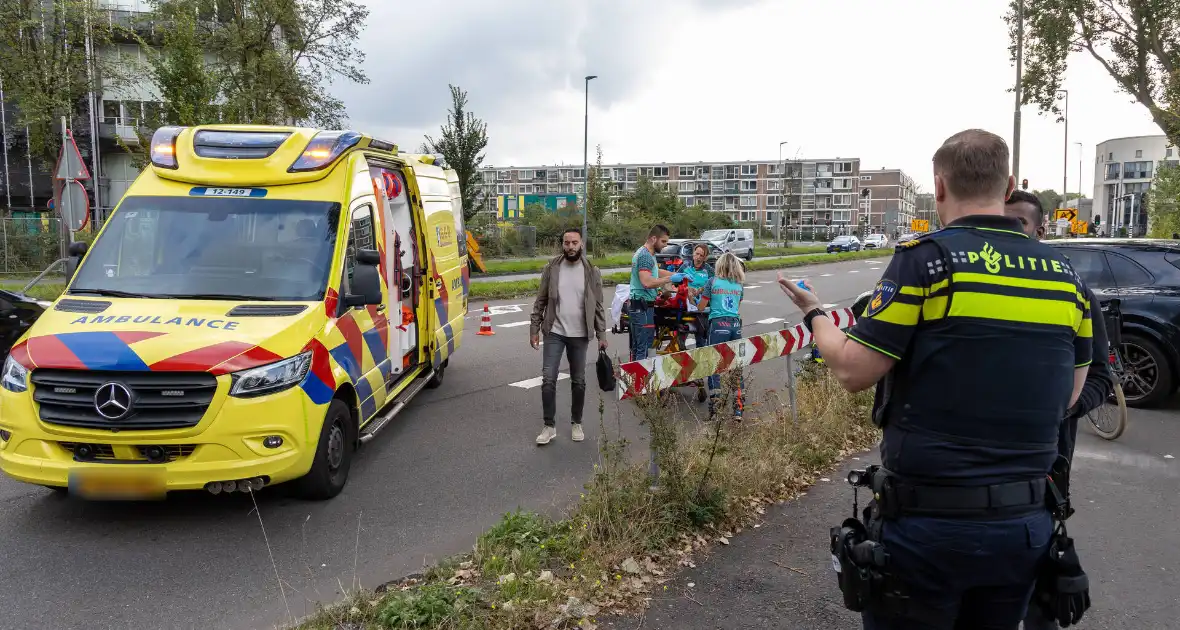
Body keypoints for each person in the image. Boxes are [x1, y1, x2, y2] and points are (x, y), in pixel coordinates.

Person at [778, 129, 1093, 629]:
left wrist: (816, 312)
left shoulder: (926, 261)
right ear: (1008, 186)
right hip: (1024, 527)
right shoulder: (1067, 277)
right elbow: (1070, 395)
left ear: (939, 187)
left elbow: (852, 370)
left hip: (932, 529)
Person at [1005, 189, 1113, 630]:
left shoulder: (1072, 290)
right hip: (967, 481)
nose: (1008, 234)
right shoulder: (975, 281)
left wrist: (1057, 408)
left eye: (1019, 224)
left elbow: (1103, 377)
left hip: (1044, 472)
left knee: (1034, 600)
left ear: (1040, 229)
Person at [529, 228, 608, 445]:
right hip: (555, 331)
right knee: (548, 379)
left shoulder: (592, 271)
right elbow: (541, 300)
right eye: (566, 243)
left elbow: (599, 305)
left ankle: (576, 422)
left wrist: (602, 333)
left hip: (580, 334)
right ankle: (549, 426)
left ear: (581, 244)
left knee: (579, 381)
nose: (570, 246)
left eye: (574, 243)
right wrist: (534, 329)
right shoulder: (552, 268)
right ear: (562, 244)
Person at [695, 251, 745, 418]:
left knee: (714, 366)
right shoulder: (739, 285)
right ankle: (738, 408)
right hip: (735, 325)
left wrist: (692, 298)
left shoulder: (713, 281)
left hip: (718, 326)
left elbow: (701, 307)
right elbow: (736, 306)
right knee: (736, 367)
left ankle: (715, 408)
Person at [628, 224, 679, 361]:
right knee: (643, 348)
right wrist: (670, 279)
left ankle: (636, 379)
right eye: (663, 241)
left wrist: (678, 274)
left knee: (640, 346)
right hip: (642, 307)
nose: (665, 245)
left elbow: (655, 272)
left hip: (641, 306)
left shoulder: (648, 254)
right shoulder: (645, 255)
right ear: (653, 238)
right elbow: (647, 282)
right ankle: (640, 381)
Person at [677, 243, 715, 348]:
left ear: (705, 257)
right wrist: (687, 289)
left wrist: (701, 290)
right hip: (685, 304)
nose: (698, 257)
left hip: (701, 306)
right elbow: (675, 281)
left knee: (701, 338)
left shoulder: (709, 270)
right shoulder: (685, 266)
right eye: (696, 254)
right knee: (680, 339)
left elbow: (714, 285)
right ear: (693, 253)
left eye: (701, 255)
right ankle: (681, 344)